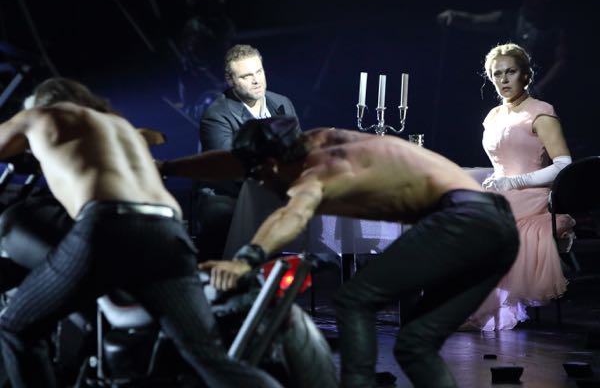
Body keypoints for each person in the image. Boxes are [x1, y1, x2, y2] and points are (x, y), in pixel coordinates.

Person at [160, 116, 520, 388]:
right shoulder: (317, 140)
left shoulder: (318, 175)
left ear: (270, 166)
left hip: (464, 220)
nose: (260, 184)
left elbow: (291, 216)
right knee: (415, 343)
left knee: (354, 300)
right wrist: (165, 168)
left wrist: (246, 259)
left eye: (258, 177)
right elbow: (232, 161)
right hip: (498, 226)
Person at [0, 77, 281, 388]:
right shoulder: (120, 127)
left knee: (16, 327)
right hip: (168, 229)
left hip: (109, 225)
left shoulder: (38, 116)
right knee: (209, 357)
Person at [461, 43, 574, 331]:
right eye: (497, 74)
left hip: (532, 196)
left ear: (526, 75)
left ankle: (476, 313)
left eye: (510, 72)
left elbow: (564, 165)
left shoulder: (540, 112)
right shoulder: (493, 116)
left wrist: (514, 182)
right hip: (500, 194)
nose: (503, 80)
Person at [194, 44, 299, 260]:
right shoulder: (216, 115)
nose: (256, 80)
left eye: (259, 72)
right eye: (246, 76)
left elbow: (298, 148)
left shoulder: (282, 103)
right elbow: (233, 168)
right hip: (232, 196)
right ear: (230, 80)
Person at [437, 0, 568, 102]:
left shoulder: (554, 30)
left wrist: (538, 89)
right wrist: (453, 15)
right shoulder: (511, 19)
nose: (546, 0)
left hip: (537, 94)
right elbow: (475, 20)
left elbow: (561, 61)